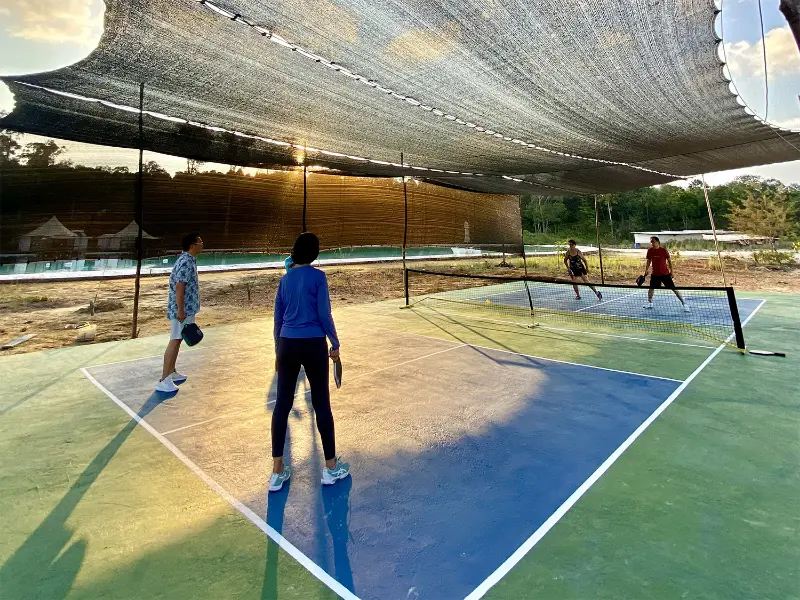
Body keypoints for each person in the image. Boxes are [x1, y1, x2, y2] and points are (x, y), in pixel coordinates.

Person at [270, 232, 349, 492]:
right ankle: (330, 468)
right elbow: (324, 314)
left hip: (287, 345)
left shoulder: (285, 280)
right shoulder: (319, 277)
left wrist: (277, 351)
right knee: (322, 405)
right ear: (314, 253)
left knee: (282, 405)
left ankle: (277, 472)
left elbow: (278, 319)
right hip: (313, 343)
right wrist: (335, 344)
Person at [156, 232, 204, 393]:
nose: (202, 244)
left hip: (187, 308)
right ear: (192, 245)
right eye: (200, 242)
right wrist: (181, 310)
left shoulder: (190, 260)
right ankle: (164, 379)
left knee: (179, 339)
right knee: (175, 340)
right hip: (181, 310)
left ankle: (172, 372)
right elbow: (179, 286)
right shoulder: (185, 262)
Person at [642, 236, 689, 312]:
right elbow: (648, 261)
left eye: (653, 241)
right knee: (651, 289)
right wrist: (646, 270)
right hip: (655, 274)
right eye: (651, 242)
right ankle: (650, 303)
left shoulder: (663, 250)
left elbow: (669, 261)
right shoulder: (650, 251)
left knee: (674, 289)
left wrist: (672, 272)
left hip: (665, 274)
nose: (652, 243)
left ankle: (684, 304)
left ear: (658, 242)